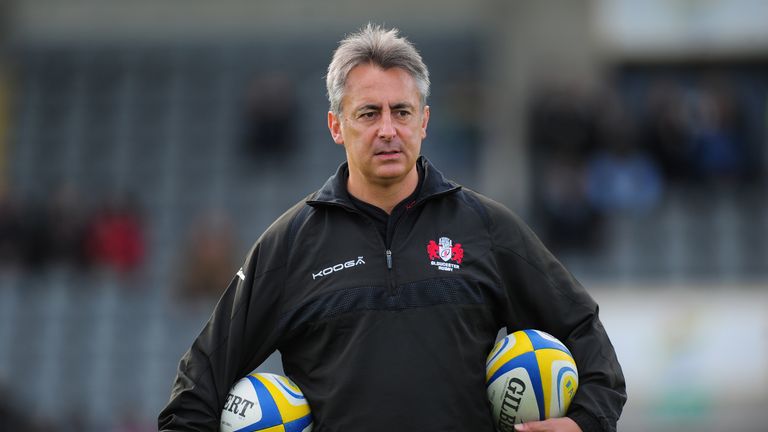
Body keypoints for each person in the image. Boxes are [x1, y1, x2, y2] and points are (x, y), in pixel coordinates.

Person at [159, 24, 626, 432]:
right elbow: (196, 392)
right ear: (336, 126)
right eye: (368, 113)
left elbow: (583, 330)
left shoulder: (485, 227)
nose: (388, 129)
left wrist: (585, 422)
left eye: (401, 112)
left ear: (423, 121)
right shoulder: (289, 246)